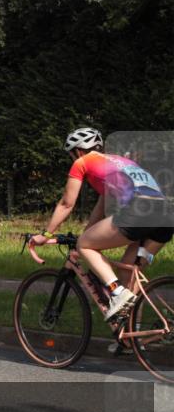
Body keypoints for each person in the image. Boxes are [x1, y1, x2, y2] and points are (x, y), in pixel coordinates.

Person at [31, 128, 173, 322]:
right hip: (164, 217)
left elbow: (66, 203)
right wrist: (87, 233)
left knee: (84, 245)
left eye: (72, 155)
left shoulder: (82, 162)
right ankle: (134, 338)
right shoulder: (120, 162)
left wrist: (45, 235)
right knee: (128, 273)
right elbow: (101, 208)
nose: (73, 159)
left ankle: (116, 292)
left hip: (138, 213)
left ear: (78, 151)